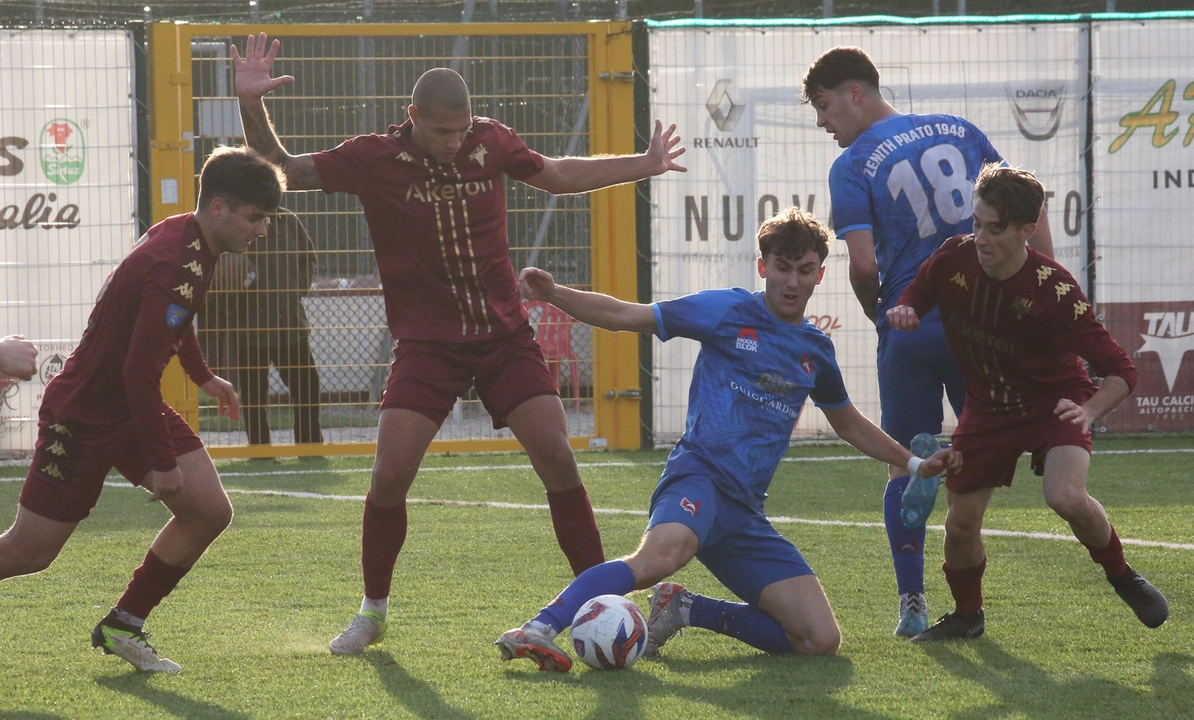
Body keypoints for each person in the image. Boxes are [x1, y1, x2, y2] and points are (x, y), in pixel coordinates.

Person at [232, 32, 687, 655]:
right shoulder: (372, 157)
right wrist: (251, 103)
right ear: (412, 118)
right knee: (389, 475)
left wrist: (645, 162)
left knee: (557, 457)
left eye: (460, 130)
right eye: (442, 132)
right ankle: (373, 612)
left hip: (503, 337)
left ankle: (601, 604)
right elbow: (285, 171)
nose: (454, 143)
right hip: (427, 345)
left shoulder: (491, 141)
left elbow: (555, 174)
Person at [495, 207, 961, 672]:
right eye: (782, 267)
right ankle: (540, 625)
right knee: (660, 556)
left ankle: (684, 609)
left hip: (743, 512)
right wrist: (555, 294)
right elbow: (624, 315)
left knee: (819, 639)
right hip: (697, 478)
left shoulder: (815, 350)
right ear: (763, 267)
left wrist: (916, 465)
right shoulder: (725, 310)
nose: (792, 282)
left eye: (803, 271)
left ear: (820, 274)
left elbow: (850, 424)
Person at [801, 46, 1055, 637]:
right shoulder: (959, 129)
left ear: (855, 94)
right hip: (980, 322)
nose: (821, 122)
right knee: (980, 454)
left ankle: (912, 603)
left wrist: (885, 316)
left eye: (824, 106)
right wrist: (1043, 282)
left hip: (914, 326)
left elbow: (863, 265)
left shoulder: (852, 165)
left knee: (906, 461)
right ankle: (969, 597)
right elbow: (1026, 207)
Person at [0, 146, 283, 671]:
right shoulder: (179, 258)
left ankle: (123, 624)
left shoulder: (189, 237)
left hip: (128, 407)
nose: (262, 229)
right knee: (28, 553)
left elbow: (172, 321)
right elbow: (137, 371)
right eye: (256, 217)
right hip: (82, 416)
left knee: (210, 512)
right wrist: (162, 461)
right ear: (220, 208)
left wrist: (202, 377)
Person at [885, 164, 1167, 641]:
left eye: (994, 228)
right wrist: (908, 307)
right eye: (976, 223)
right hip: (989, 408)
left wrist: (1090, 410)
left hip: (1055, 403)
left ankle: (1122, 575)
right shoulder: (953, 257)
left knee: (1065, 496)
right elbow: (919, 288)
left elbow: (1122, 370)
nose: (980, 237)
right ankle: (968, 616)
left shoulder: (1053, 290)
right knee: (960, 524)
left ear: (1026, 231)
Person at [202, 207, 323, 445]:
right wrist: (234, 290)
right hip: (251, 327)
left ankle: (310, 446)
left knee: (308, 386)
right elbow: (219, 267)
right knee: (255, 395)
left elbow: (308, 260)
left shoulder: (289, 220)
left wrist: (296, 290)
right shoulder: (235, 221)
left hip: (289, 324)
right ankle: (260, 448)